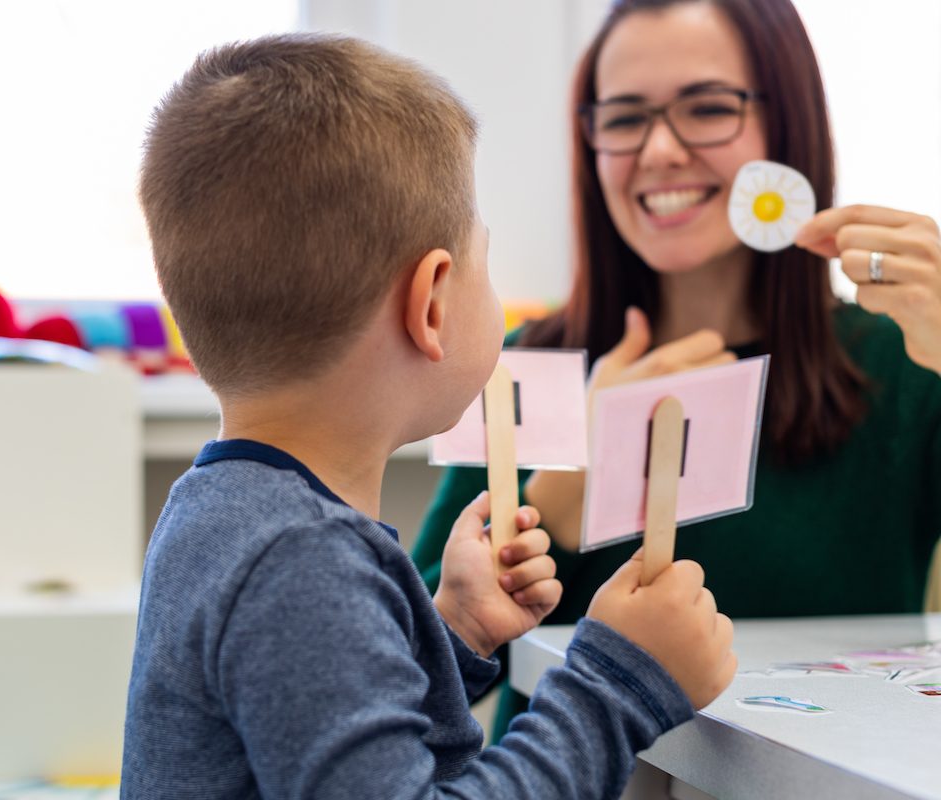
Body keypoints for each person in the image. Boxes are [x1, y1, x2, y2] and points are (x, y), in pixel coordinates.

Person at [120, 34, 736, 799]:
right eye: (485, 261)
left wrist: (453, 634)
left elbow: (311, 728)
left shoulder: (219, 513)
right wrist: (620, 683)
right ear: (433, 303)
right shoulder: (302, 560)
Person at [413, 0, 941, 742]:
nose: (660, 150)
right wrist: (558, 498)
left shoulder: (904, 361)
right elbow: (406, 678)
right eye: (626, 118)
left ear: (788, 125)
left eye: (708, 108)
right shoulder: (519, 366)